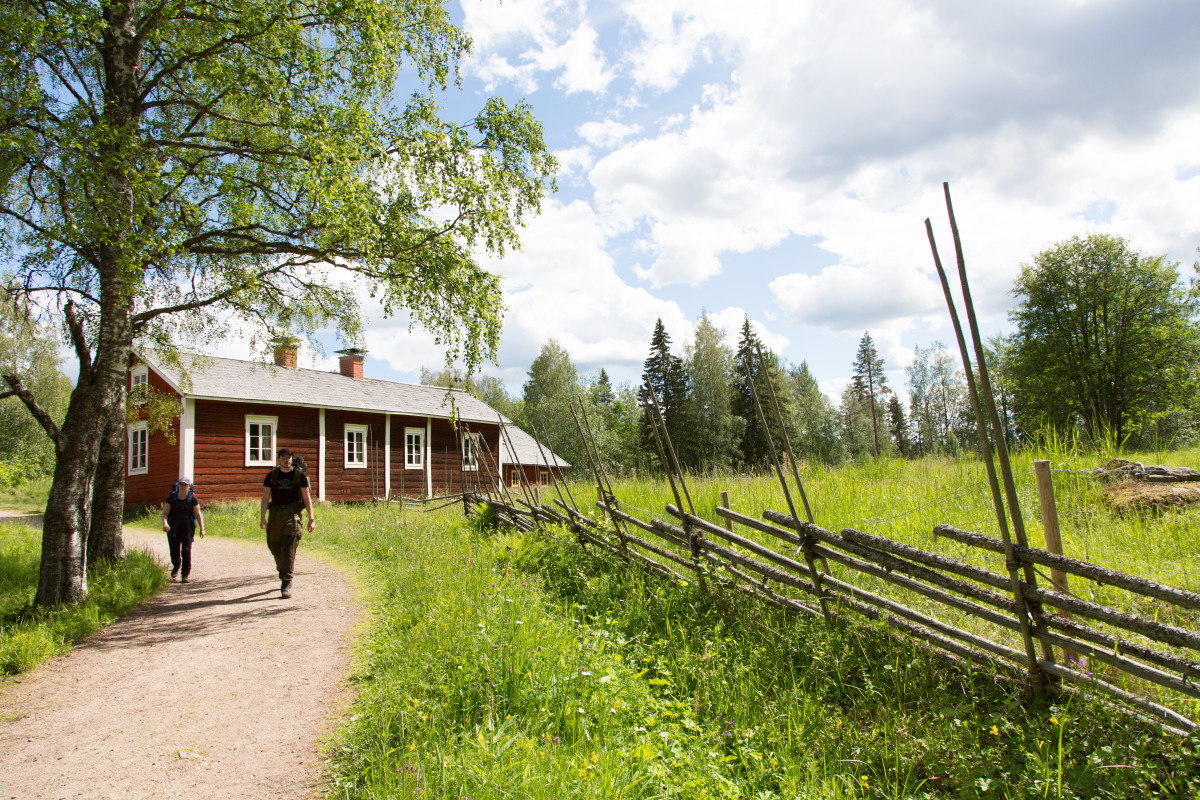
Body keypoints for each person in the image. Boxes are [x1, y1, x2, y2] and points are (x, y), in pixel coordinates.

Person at [260, 448, 316, 599]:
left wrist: (311, 518)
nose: (287, 460)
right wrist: (262, 517)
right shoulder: (271, 476)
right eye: (284, 457)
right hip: (275, 516)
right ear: (279, 459)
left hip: (293, 516)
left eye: (289, 457)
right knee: (274, 546)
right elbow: (265, 498)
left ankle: (286, 582)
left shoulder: (300, 476)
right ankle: (282, 569)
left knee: (289, 549)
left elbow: (306, 498)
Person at [161, 477, 205, 583]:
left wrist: (202, 529)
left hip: (187, 528)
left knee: (186, 551)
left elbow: (198, 515)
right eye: (181, 484)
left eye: (185, 485)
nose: (183, 487)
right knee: (174, 552)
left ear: (189, 486)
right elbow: (165, 513)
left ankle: (185, 575)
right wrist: (165, 524)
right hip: (173, 529)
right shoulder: (171, 498)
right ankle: (176, 566)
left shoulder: (192, 499)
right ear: (178, 486)